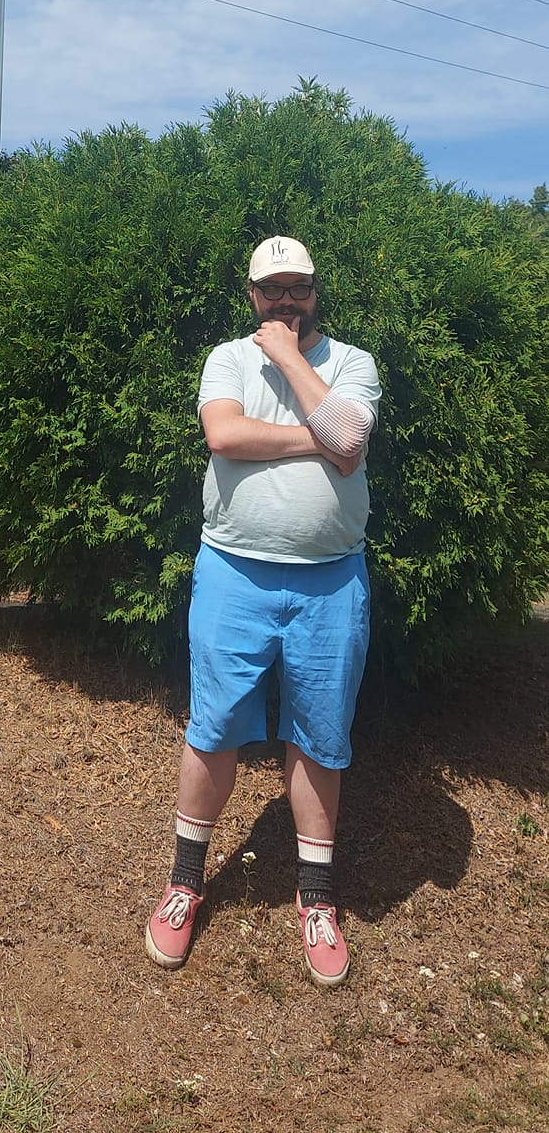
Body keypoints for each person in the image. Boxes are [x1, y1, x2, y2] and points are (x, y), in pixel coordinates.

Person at [146, 235, 381, 988]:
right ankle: (184, 882)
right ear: (250, 295)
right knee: (211, 728)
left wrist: (287, 359)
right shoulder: (224, 359)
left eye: (297, 288)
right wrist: (318, 442)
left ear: (315, 292)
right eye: (270, 289)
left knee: (320, 738)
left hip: (330, 581)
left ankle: (315, 900)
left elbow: (351, 434)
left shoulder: (351, 363)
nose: (285, 300)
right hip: (233, 576)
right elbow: (224, 435)